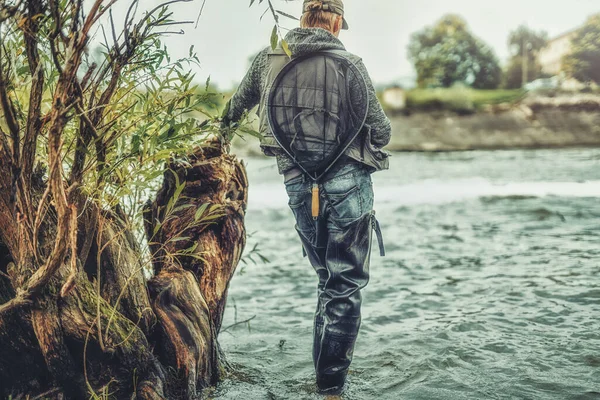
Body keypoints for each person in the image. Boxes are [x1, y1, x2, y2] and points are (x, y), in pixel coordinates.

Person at [223, 0, 391, 394]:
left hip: (299, 186)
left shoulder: (269, 60)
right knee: (344, 285)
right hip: (348, 184)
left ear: (302, 20)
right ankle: (330, 387)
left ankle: (320, 383)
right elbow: (382, 131)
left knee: (325, 279)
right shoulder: (352, 65)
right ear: (335, 23)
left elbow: (233, 112)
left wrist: (213, 146)